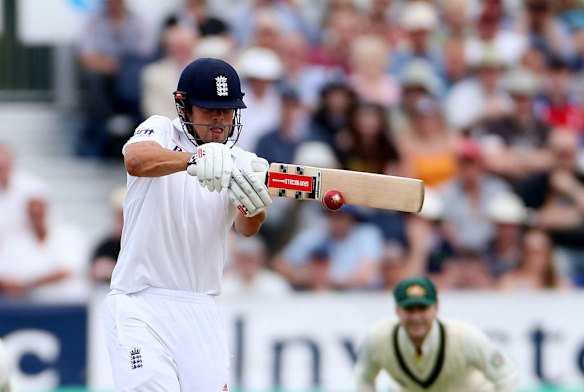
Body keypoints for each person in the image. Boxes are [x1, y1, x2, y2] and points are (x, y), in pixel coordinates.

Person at [102, 57, 272, 391]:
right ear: (185, 107)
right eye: (210, 110)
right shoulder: (161, 131)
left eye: (227, 110)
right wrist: (194, 160)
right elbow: (135, 161)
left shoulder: (242, 161)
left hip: (200, 308)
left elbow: (247, 228)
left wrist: (255, 207)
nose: (219, 120)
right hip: (140, 301)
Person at [354, 276, 519, 391]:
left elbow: (506, 375)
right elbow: (364, 378)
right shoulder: (378, 338)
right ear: (397, 311)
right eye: (409, 309)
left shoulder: (463, 336)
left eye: (422, 308)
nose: (416, 317)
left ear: (436, 308)